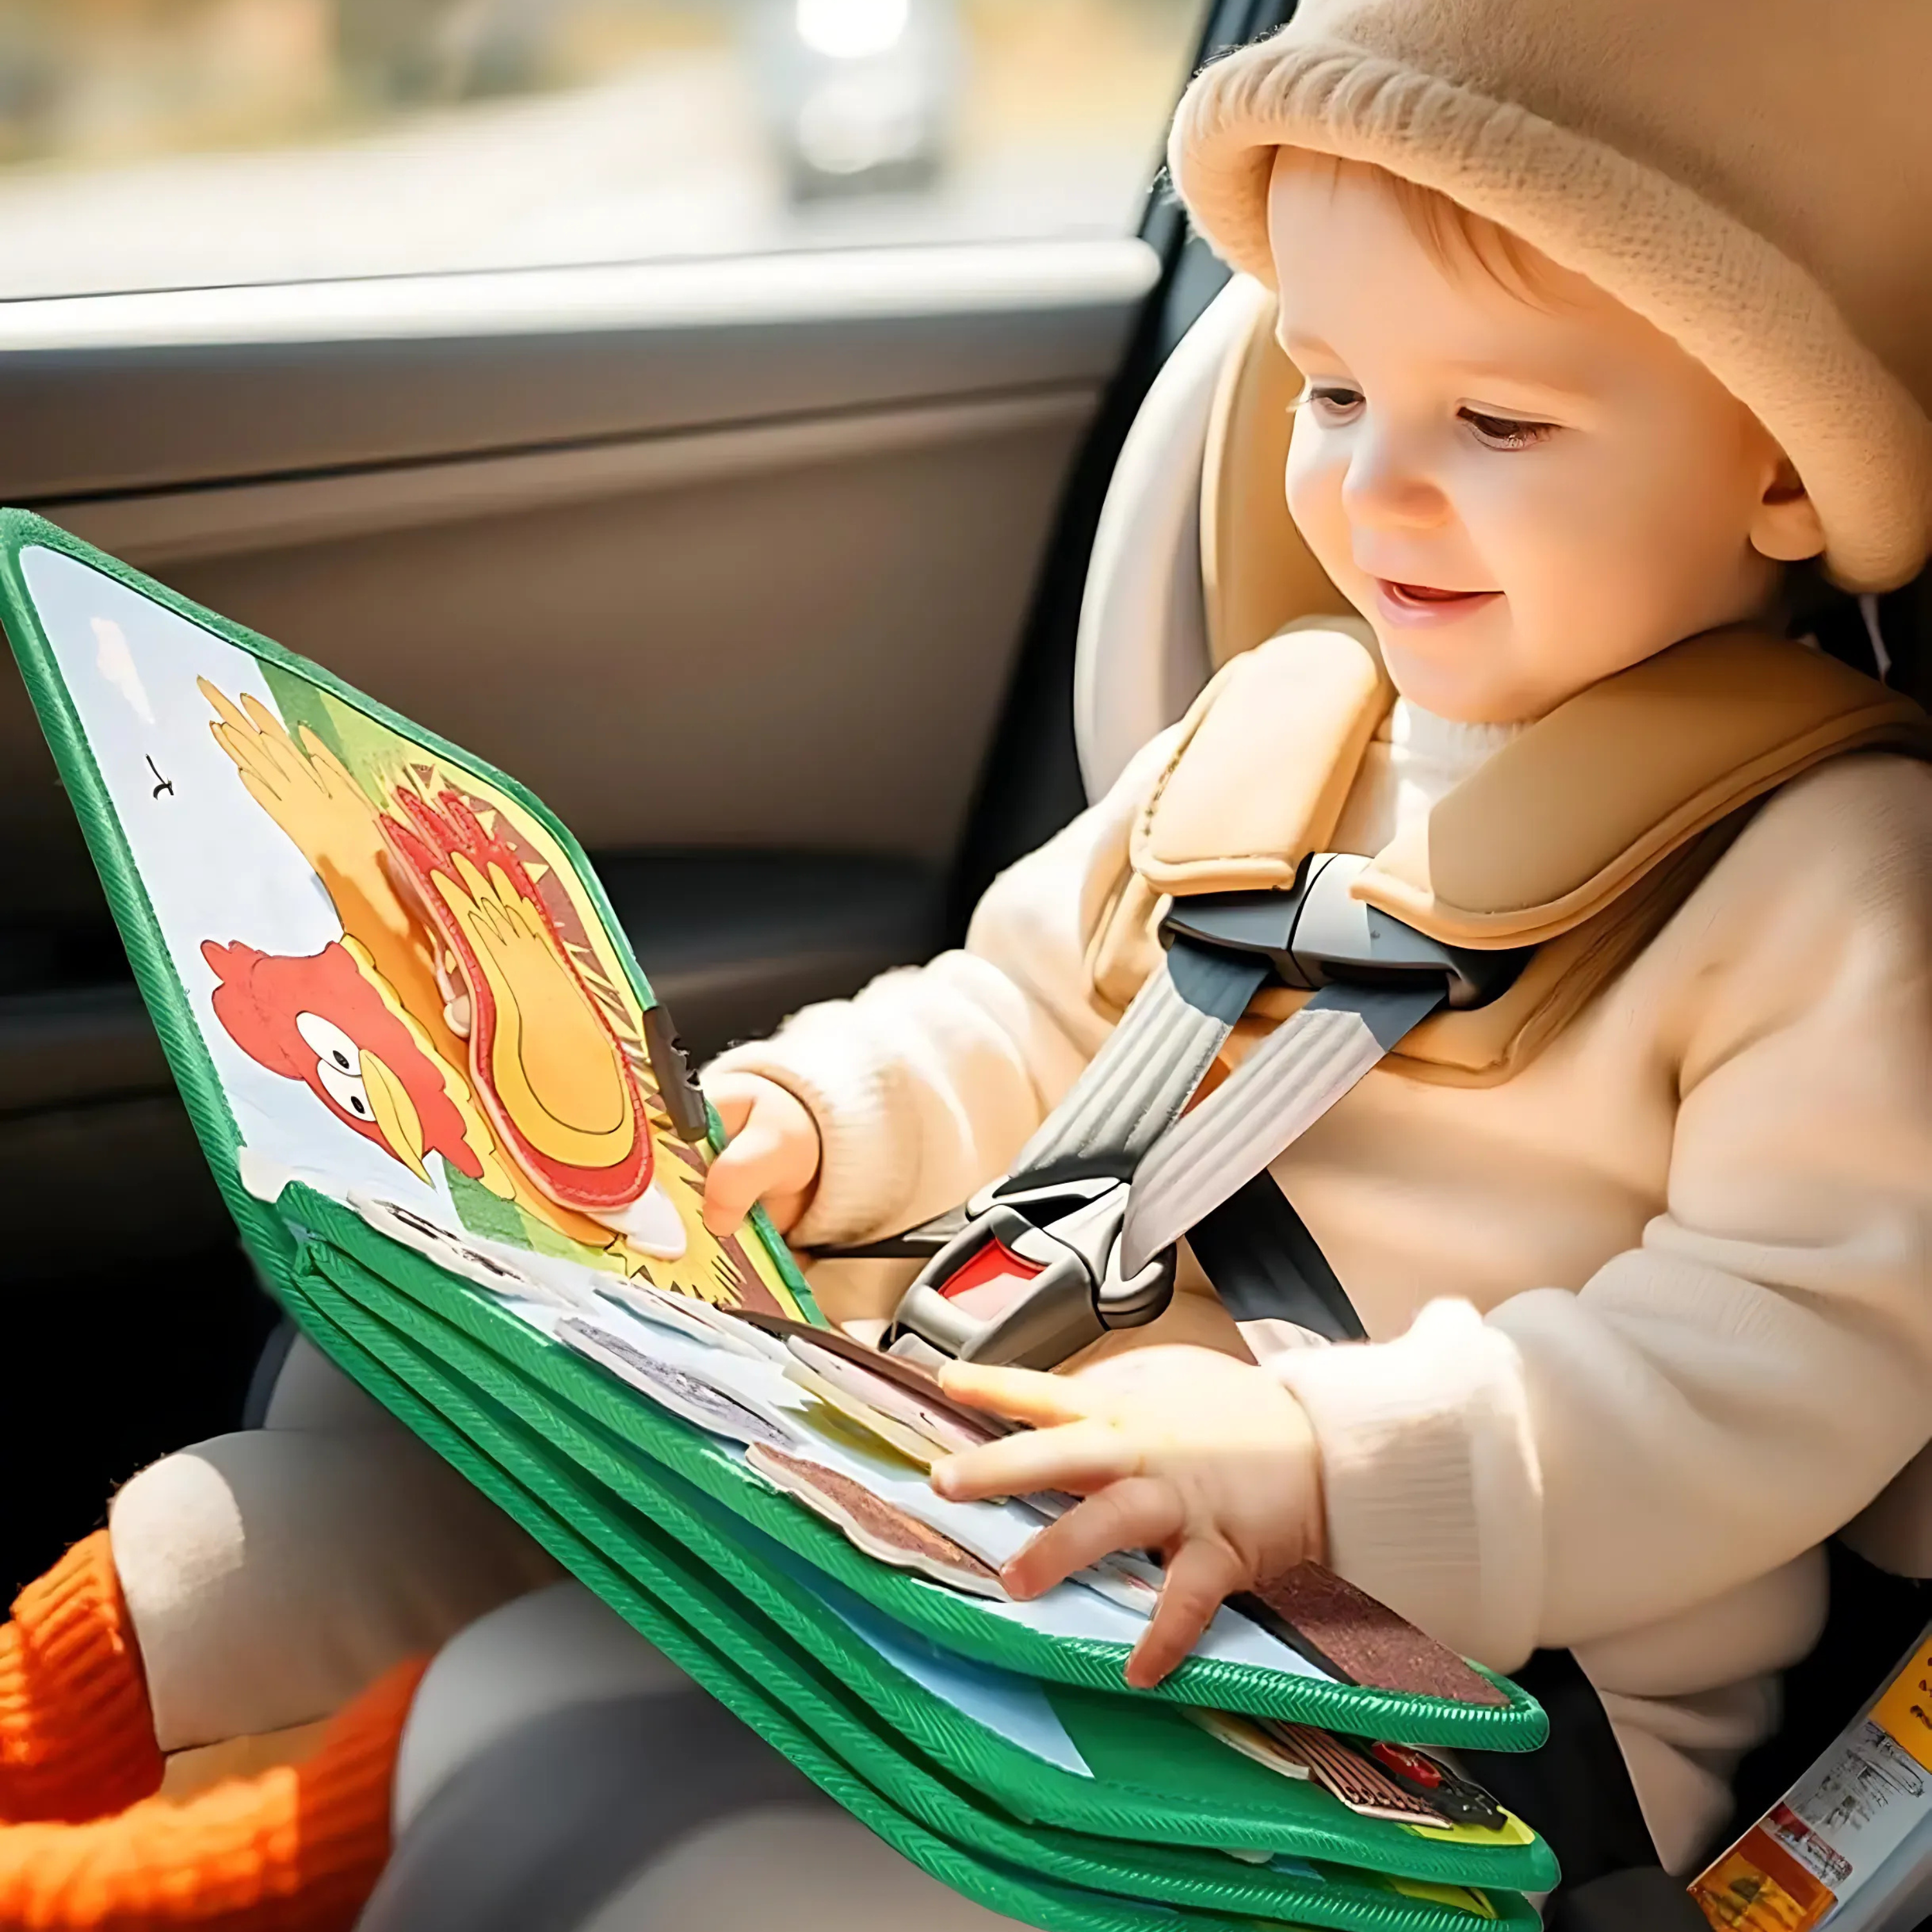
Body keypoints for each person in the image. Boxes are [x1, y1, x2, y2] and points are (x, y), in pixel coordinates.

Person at [2, 0, 1929, 1920]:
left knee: (572, 1744)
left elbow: (1792, 1350)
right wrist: (815, 1121)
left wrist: (1315, 1466)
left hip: (1422, 1705)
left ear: (1780, 476)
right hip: (1014, 1503)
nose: (1370, 487)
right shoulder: (1284, 732)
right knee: (297, 1508)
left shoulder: (1828, 874)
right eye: (1334, 395)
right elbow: (1024, 1019)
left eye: (1498, 423)